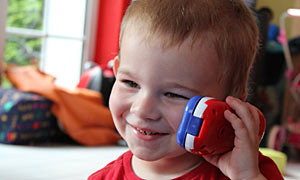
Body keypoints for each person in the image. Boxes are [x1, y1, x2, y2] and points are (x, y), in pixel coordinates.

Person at [89, 0, 283, 179]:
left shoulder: (250, 171)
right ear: (116, 71)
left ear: (230, 106)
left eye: (173, 94)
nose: (141, 109)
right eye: (131, 83)